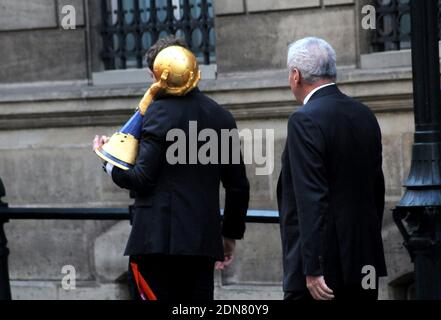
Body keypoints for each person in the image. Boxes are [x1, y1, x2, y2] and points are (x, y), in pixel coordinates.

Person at [93, 36, 250, 300]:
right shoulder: (222, 117)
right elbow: (237, 186)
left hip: (156, 244)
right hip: (201, 243)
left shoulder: (157, 113)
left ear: (154, 73)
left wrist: (109, 164)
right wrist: (230, 234)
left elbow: (142, 178)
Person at [277, 37, 387, 300]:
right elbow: (376, 190)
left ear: (296, 76)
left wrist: (313, 267)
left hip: (323, 273)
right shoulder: (364, 113)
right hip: (363, 262)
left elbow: (311, 197)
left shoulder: (304, 119)